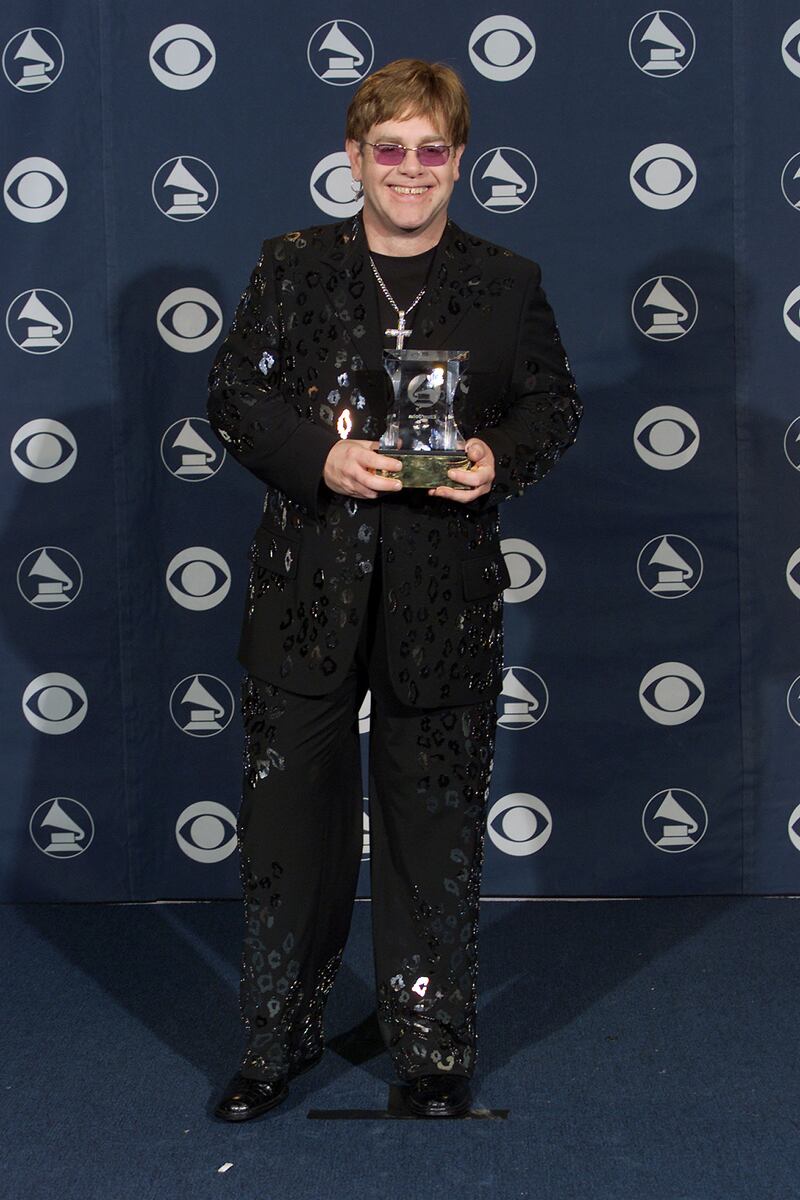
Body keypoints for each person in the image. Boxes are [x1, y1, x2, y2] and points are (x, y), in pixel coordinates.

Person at [207, 58, 582, 1121]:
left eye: (431, 150)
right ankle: (275, 1040)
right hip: (303, 597)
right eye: (388, 149)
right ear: (353, 158)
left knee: (433, 833)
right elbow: (232, 390)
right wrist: (316, 462)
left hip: (443, 600)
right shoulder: (291, 267)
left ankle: (430, 1051)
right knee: (288, 839)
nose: (409, 169)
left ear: (458, 161)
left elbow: (553, 408)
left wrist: (494, 459)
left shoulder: (506, 279)